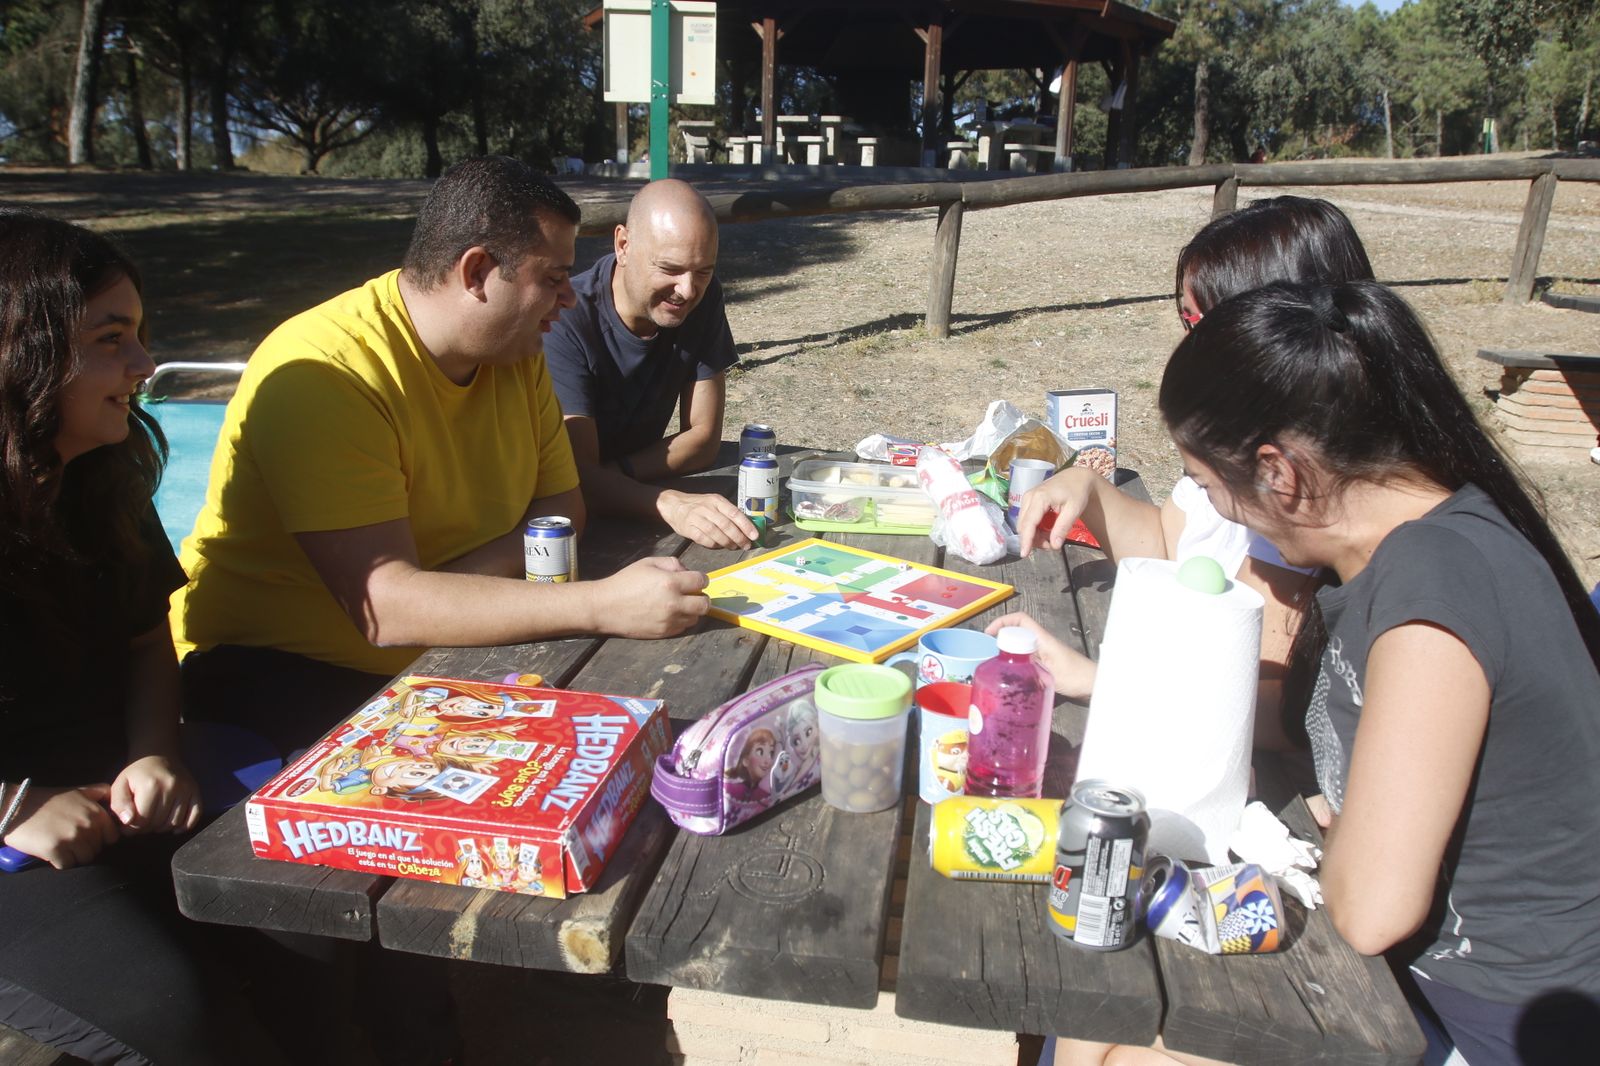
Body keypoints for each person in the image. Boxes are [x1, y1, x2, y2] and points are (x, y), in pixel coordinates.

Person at [1062, 281, 1600, 1066]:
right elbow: (1311, 720)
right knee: (1094, 995)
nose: (1222, 515)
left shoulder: (1436, 583)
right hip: (1413, 982)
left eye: (1212, 488)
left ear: (1278, 471)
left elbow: (1371, 908)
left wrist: (1348, 830)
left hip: (1486, 1020)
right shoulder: (1393, 553)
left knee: (1107, 1040)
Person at [173, 157, 710, 754]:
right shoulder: (326, 373)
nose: (568, 298)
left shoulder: (517, 352)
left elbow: (563, 510)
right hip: (278, 675)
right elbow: (385, 611)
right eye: (554, 278)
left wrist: (441, 594)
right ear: (477, 271)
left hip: (443, 648)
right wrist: (601, 604)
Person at [0, 210, 285, 1064]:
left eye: (142, 333)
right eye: (110, 337)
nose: (144, 364)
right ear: (21, 352)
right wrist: (13, 806)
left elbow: (143, 639)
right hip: (23, 829)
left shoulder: (101, 477)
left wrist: (154, 751)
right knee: (172, 1015)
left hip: (115, 783)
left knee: (305, 923)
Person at [1003, 196, 1375, 736]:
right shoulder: (1241, 430)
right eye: (1185, 315)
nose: (1188, 337)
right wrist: (1089, 488)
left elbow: (1273, 705)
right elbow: (1170, 549)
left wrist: (1100, 681)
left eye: (1200, 318)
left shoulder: (1295, 494)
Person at [543, 178, 758, 550]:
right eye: (670, 268)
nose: (688, 290)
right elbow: (574, 476)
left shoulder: (702, 300)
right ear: (623, 245)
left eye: (704, 271)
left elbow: (703, 441)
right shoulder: (565, 317)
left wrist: (616, 476)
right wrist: (669, 503)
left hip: (618, 500)